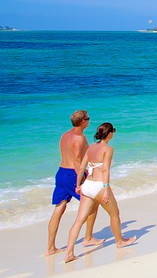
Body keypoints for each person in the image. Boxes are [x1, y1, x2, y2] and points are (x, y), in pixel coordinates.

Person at [64, 123, 137, 263]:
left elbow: (81, 168)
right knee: (114, 214)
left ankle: (69, 253)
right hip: (99, 186)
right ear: (109, 133)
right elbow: (105, 170)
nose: (114, 133)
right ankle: (119, 241)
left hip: (87, 185)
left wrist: (78, 185)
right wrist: (105, 189)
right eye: (113, 131)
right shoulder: (108, 149)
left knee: (79, 220)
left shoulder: (91, 147)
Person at [46, 110, 102, 256]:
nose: (89, 121)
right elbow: (77, 160)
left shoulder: (65, 135)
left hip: (61, 172)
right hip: (73, 174)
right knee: (92, 202)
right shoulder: (80, 137)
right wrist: (81, 181)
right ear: (82, 122)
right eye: (88, 119)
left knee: (59, 208)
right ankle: (88, 237)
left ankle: (50, 247)